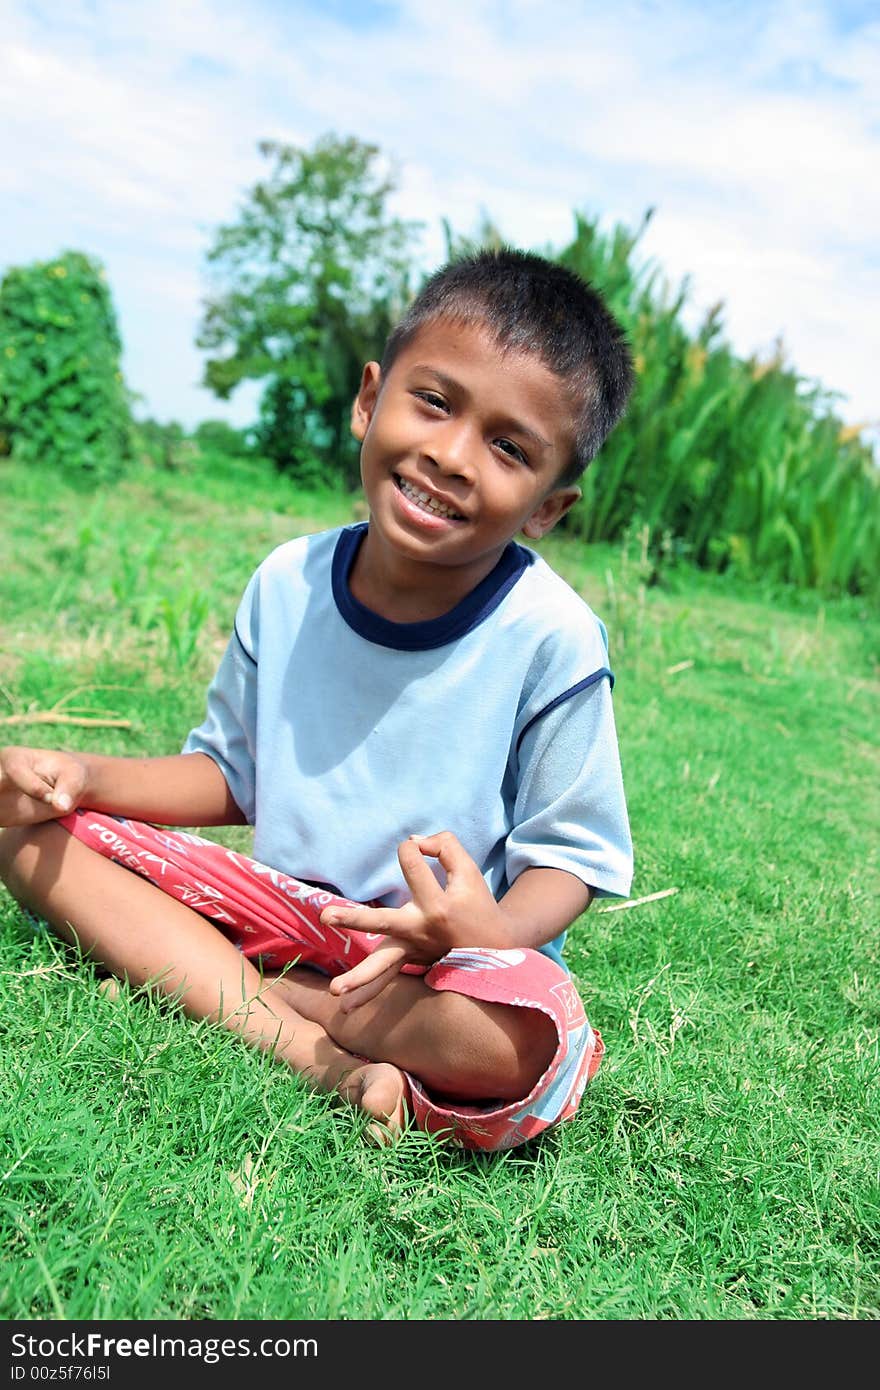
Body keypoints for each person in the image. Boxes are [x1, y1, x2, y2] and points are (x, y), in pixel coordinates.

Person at [0, 248, 635, 1151]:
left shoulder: (552, 638)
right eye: (435, 402)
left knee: (517, 1045)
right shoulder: (287, 581)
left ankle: (202, 978)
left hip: (432, 970)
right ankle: (302, 1044)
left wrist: (478, 927)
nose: (452, 456)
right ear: (369, 400)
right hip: (273, 911)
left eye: (508, 447)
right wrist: (80, 775)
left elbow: (568, 860)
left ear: (547, 507)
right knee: (24, 836)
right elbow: (230, 774)